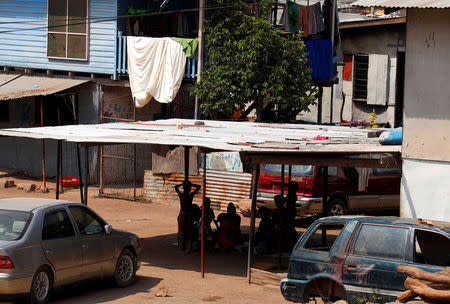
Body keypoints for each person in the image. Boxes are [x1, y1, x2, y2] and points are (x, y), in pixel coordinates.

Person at [174, 180, 201, 251]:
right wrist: (191, 185)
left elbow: (176, 187)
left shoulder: (182, 195)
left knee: (183, 230)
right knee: (189, 230)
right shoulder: (190, 195)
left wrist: (182, 184)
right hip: (188, 215)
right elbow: (199, 187)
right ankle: (187, 246)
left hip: (184, 214)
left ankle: (183, 245)